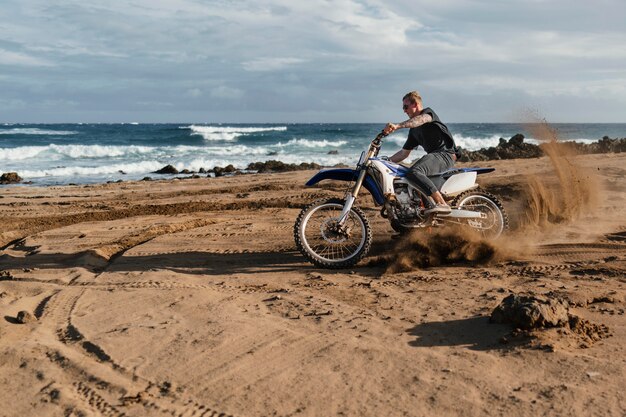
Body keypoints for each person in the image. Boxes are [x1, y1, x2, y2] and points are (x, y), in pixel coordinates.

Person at [383, 91, 458, 215]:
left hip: (445, 155)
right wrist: (386, 161)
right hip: (434, 157)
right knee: (407, 177)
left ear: (416, 104)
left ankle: (441, 203)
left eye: (405, 107)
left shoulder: (428, 114)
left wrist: (397, 126)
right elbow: (403, 153)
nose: (404, 111)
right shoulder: (414, 131)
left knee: (415, 172)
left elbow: (420, 120)